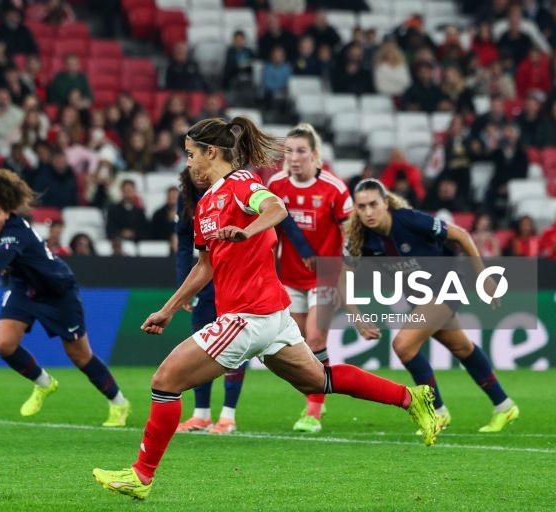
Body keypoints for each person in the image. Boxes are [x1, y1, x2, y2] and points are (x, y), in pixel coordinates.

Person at [92, 117, 438, 501]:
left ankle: (141, 475)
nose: (188, 164)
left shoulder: (242, 185)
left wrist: (248, 230)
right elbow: (205, 265)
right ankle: (410, 397)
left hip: (249, 317)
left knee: (164, 382)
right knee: (318, 380)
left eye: (192, 155)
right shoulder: (206, 203)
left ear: (212, 152)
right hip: (272, 317)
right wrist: (169, 308)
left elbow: (275, 209)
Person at [0, 168, 130, 426]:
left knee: (80, 355)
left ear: (8, 212)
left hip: (58, 291)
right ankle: (44, 383)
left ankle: (119, 403)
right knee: (3, 343)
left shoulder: (16, 233)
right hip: (24, 287)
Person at [346, 178, 520, 435]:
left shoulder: (410, 219)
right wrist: (357, 317)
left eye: (373, 204)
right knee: (461, 347)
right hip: (421, 296)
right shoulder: (363, 239)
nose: (368, 212)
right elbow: (342, 278)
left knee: (403, 345)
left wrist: (484, 277)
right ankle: (504, 406)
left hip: (448, 284)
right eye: (361, 207)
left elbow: (461, 235)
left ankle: (437, 412)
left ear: (386, 203)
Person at [267, 123, 352, 433]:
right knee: (302, 345)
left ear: (315, 155)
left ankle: (314, 409)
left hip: (325, 277)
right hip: (289, 277)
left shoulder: (334, 188)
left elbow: (350, 231)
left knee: (316, 338)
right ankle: (317, 397)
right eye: (288, 151)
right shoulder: (276, 185)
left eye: (301, 151)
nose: (294, 157)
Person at [174, 167, 247, 435]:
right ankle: (201, 414)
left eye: (197, 157)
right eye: (190, 159)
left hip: (236, 280)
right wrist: (184, 287)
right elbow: (183, 245)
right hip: (205, 281)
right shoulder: (186, 198)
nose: (195, 167)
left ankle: (228, 415)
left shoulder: (234, 189)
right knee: (201, 345)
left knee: (236, 346)